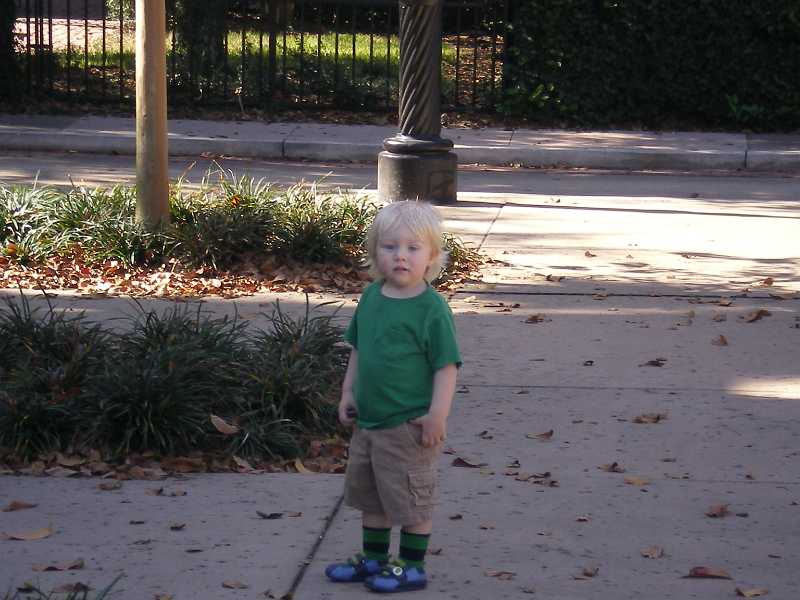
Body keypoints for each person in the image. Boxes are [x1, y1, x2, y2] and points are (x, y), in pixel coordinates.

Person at [325, 200, 461, 593]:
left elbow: (446, 367)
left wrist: (437, 416)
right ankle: (375, 559)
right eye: (389, 246)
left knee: (412, 501)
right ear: (375, 253)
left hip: (409, 426)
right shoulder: (371, 297)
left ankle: (412, 566)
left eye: (412, 248)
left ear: (431, 256)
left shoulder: (432, 309)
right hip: (369, 423)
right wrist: (348, 391)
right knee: (372, 497)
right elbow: (359, 349)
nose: (400, 255)